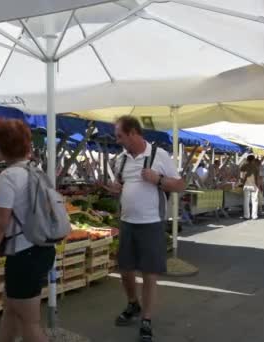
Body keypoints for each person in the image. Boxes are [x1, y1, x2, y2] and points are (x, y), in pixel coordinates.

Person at [101, 116, 184, 342]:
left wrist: (158, 180)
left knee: (149, 274)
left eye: (120, 136)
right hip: (127, 222)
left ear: (133, 133)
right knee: (125, 270)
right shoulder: (121, 160)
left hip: (151, 223)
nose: (118, 140)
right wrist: (117, 189)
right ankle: (132, 304)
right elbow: (123, 185)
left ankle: (146, 319)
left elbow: (179, 185)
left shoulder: (159, 155)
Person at [0, 118, 54, 342]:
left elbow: (0, 224)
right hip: (43, 248)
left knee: (30, 324)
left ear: (1, 148)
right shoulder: (37, 171)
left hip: (23, 254)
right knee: (11, 309)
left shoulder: (8, 177)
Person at [240, 155, 260, 220]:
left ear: (247, 159)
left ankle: (246, 216)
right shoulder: (256, 167)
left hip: (246, 185)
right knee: (254, 201)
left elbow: (242, 176)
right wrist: (258, 186)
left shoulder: (244, 166)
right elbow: (257, 178)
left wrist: (242, 183)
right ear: (253, 160)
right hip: (254, 185)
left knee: (246, 201)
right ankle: (254, 216)